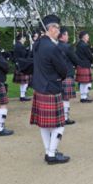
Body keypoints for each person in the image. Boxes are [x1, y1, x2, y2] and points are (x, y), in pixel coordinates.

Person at [30, 15, 70, 165]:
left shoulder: (38, 44)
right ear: (52, 28)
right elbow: (63, 70)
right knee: (59, 124)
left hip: (39, 87)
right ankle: (52, 154)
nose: (59, 31)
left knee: (44, 124)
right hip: (51, 88)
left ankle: (48, 150)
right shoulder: (52, 47)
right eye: (58, 28)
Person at [58, 27, 80, 125]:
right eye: (67, 34)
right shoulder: (67, 47)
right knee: (65, 98)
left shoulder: (54, 45)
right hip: (67, 74)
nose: (68, 36)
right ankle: (65, 118)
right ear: (62, 35)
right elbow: (76, 60)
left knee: (58, 97)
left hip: (56, 75)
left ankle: (59, 117)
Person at [12, 33, 32, 102]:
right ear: (21, 38)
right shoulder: (20, 46)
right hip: (22, 66)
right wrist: (30, 47)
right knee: (25, 82)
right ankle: (22, 96)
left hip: (19, 65)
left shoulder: (17, 45)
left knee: (23, 83)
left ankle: (22, 96)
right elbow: (25, 56)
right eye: (24, 38)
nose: (25, 39)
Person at [75, 31, 93, 103]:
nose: (88, 37)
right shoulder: (85, 45)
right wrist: (92, 61)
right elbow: (89, 56)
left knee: (82, 82)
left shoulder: (78, 45)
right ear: (83, 37)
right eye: (87, 36)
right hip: (85, 65)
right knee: (87, 82)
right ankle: (85, 96)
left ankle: (83, 97)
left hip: (80, 65)